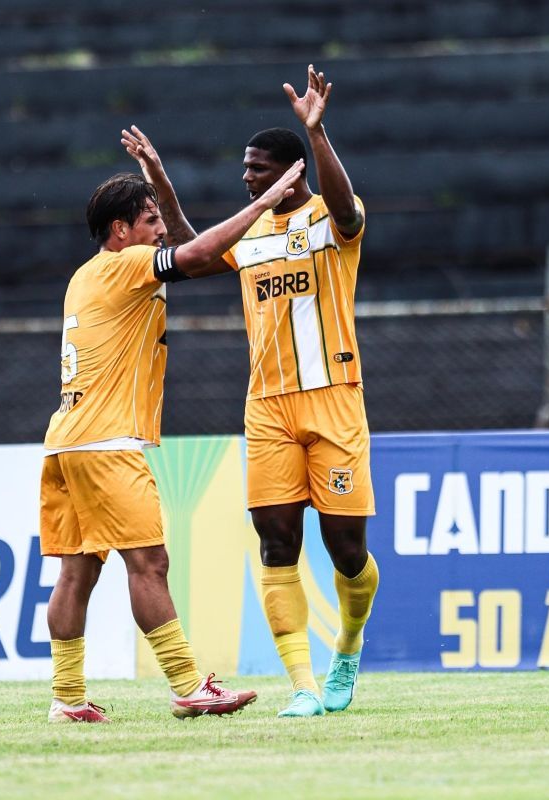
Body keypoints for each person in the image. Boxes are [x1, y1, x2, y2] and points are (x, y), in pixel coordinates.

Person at [121, 65, 379, 718]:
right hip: (267, 407)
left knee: (347, 551)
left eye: (256, 169)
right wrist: (159, 177)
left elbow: (346, 208)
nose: (246, 178)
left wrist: (317, 134)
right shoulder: (251, 232)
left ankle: (347, 647)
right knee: (276, 542)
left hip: (334, 398)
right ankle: (303, 687)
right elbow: (190, 250)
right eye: (244, 169)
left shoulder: (330, 219)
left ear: (289, 172)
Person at [41, 158, 305, 723]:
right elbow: (198, 253)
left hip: (66, 440)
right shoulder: (128, 264)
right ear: (120, 230)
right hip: (106, 443)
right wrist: (264, 204)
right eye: (150, 220)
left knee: (77, 572)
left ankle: (67, 697)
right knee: (150, 563)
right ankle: (188, 686)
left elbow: (188, 247)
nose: (160, 229)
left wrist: (158, 180)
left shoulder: (87, 274)